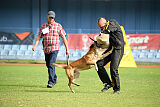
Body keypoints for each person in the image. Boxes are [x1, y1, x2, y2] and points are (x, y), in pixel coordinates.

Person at [32, 11, 69, 88]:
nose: (51, 19)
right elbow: (39, 37)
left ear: (54, 18)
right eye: (50, 17)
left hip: (54, 48)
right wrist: (35, 46)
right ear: (47, 17)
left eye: (52, 17)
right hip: (46, 49)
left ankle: (51, 82)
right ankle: (54, 78)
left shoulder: (58, 26)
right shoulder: (43, 27)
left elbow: (63, 38)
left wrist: (67, 49)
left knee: (51, 64)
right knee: (48, 65)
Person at [96, 17, 124, 94]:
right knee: (99, 64)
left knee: (113, 68)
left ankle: (117, 89)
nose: (101, 28)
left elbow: (109, 30)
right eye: (100, 27)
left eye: (101, 26)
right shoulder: (104, 29)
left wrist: (102, 34)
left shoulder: (112, 23)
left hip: (118, 48)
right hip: (111, 49)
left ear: (105, 23)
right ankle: (108, 83)